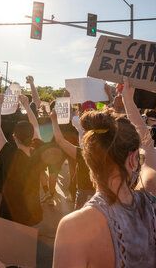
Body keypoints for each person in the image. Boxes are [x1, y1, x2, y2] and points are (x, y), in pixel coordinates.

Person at [52, 77, 156, 268]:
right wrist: (128, 102)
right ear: (133, 160)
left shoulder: (74, 228)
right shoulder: (151, 198)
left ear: (87, 156)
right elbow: (148, 148)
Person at [0, 93, 44, 227]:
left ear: (14, 136)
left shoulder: (8, 153)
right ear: (32, 136)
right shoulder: (38, 151)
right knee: (25, 247)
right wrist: (26, 104)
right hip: (33, 215)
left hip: (10, 215)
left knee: (6, 247)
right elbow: (35, 125)